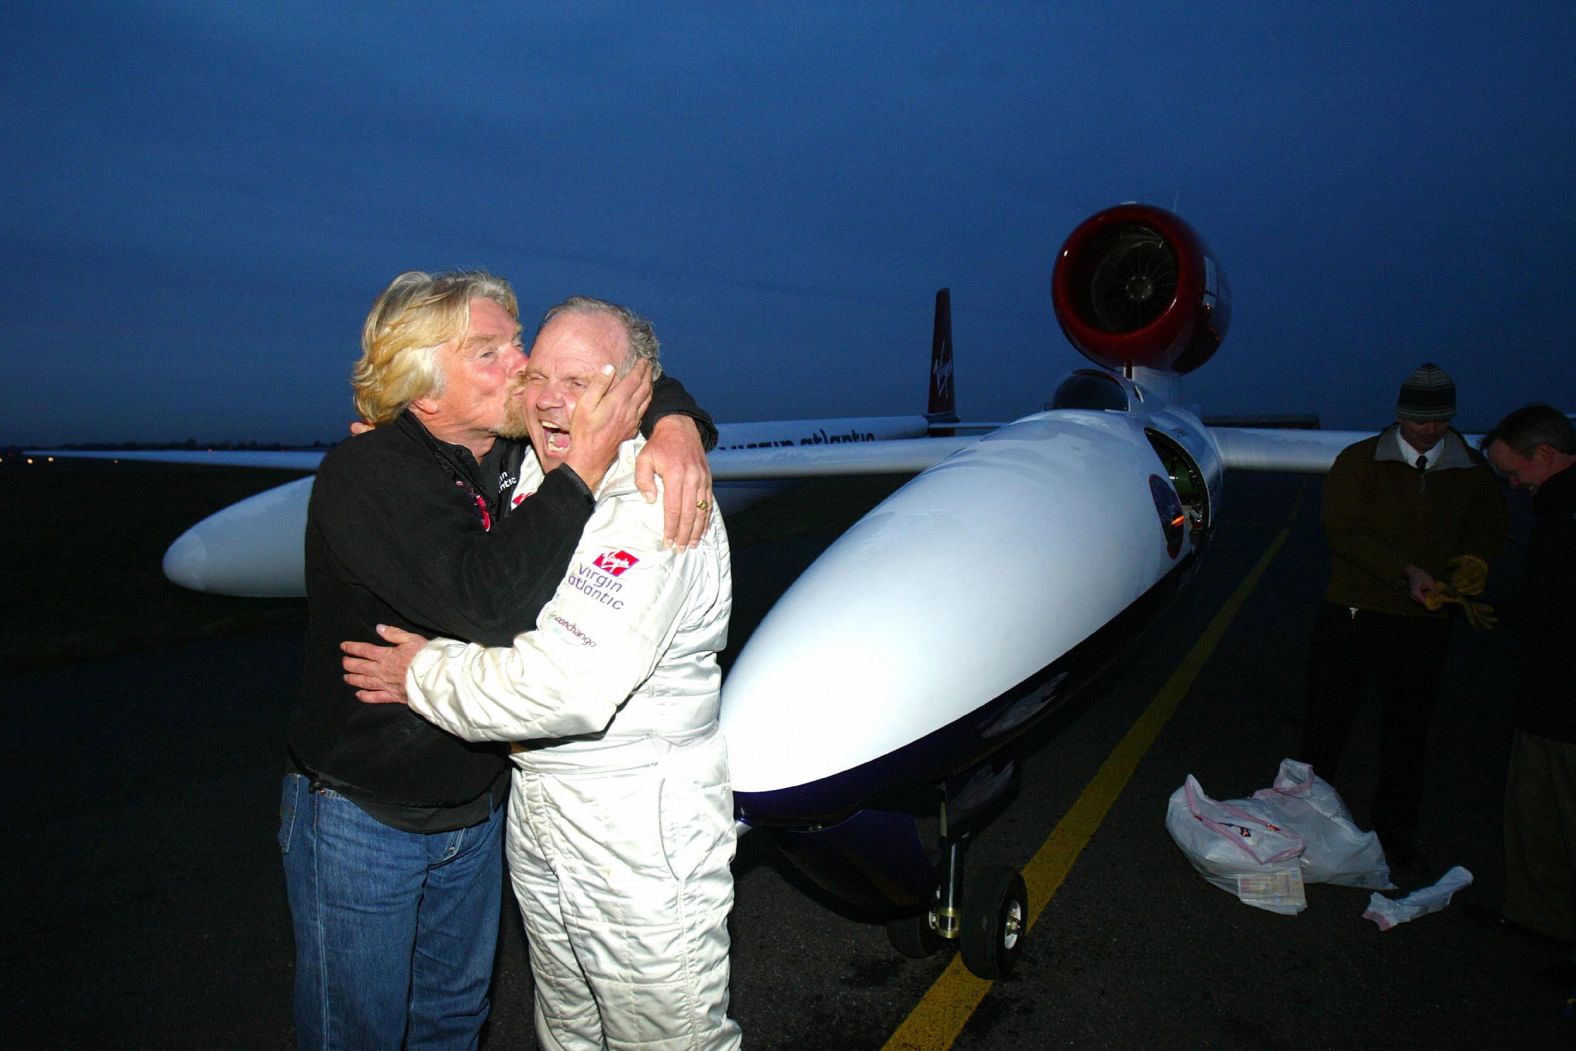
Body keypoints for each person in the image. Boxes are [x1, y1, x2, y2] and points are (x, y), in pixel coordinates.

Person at [281, 271, 717, 1049]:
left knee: (455, 1020)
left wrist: (675, 418)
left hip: (495, 817)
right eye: (495, 352)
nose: (523, 371)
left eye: (518, 345)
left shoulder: (526, 459)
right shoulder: (378, 473)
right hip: (367, 815)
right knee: (360, 1032)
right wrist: (586, 462)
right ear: (423, 387)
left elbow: (609, 373)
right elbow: (483, 600)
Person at [1298, 362, 1507, 873]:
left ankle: (1395, 834)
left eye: (1439, 420)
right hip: (1353, 610)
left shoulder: (1473, 472)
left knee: (1408, 731)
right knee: (1326, 723)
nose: (1430, 430)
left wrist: (1475, 562)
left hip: (1425, 622)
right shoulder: (1359, 461)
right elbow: (1342, 531)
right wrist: (1406, 572)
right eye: (1419, 421)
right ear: (1399, 416)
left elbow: (1489, 526)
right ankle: (1301, 819)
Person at [1480, 404, 1576, 951]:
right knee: (1536, 815)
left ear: (1546, 454)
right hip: (1545, 698)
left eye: (1516, 474)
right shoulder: (1557, 515)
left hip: (1566, 702)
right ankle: (1537, 919)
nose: (1515, 487)